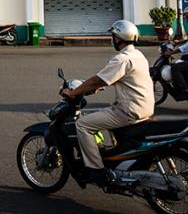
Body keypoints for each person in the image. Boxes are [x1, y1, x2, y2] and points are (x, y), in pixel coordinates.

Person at [62, 20, 154, 186]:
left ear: (118, 38)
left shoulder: (122, 59)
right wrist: (96, 87)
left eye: (113, 36)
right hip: (145, 108)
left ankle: (96, 170)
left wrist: (73, 92)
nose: (112, 39)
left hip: (129, 111)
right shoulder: (138, 55)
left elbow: (97, 80)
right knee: (104, 113)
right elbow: (114, 80)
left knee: (83, 124)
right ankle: (113, 159)